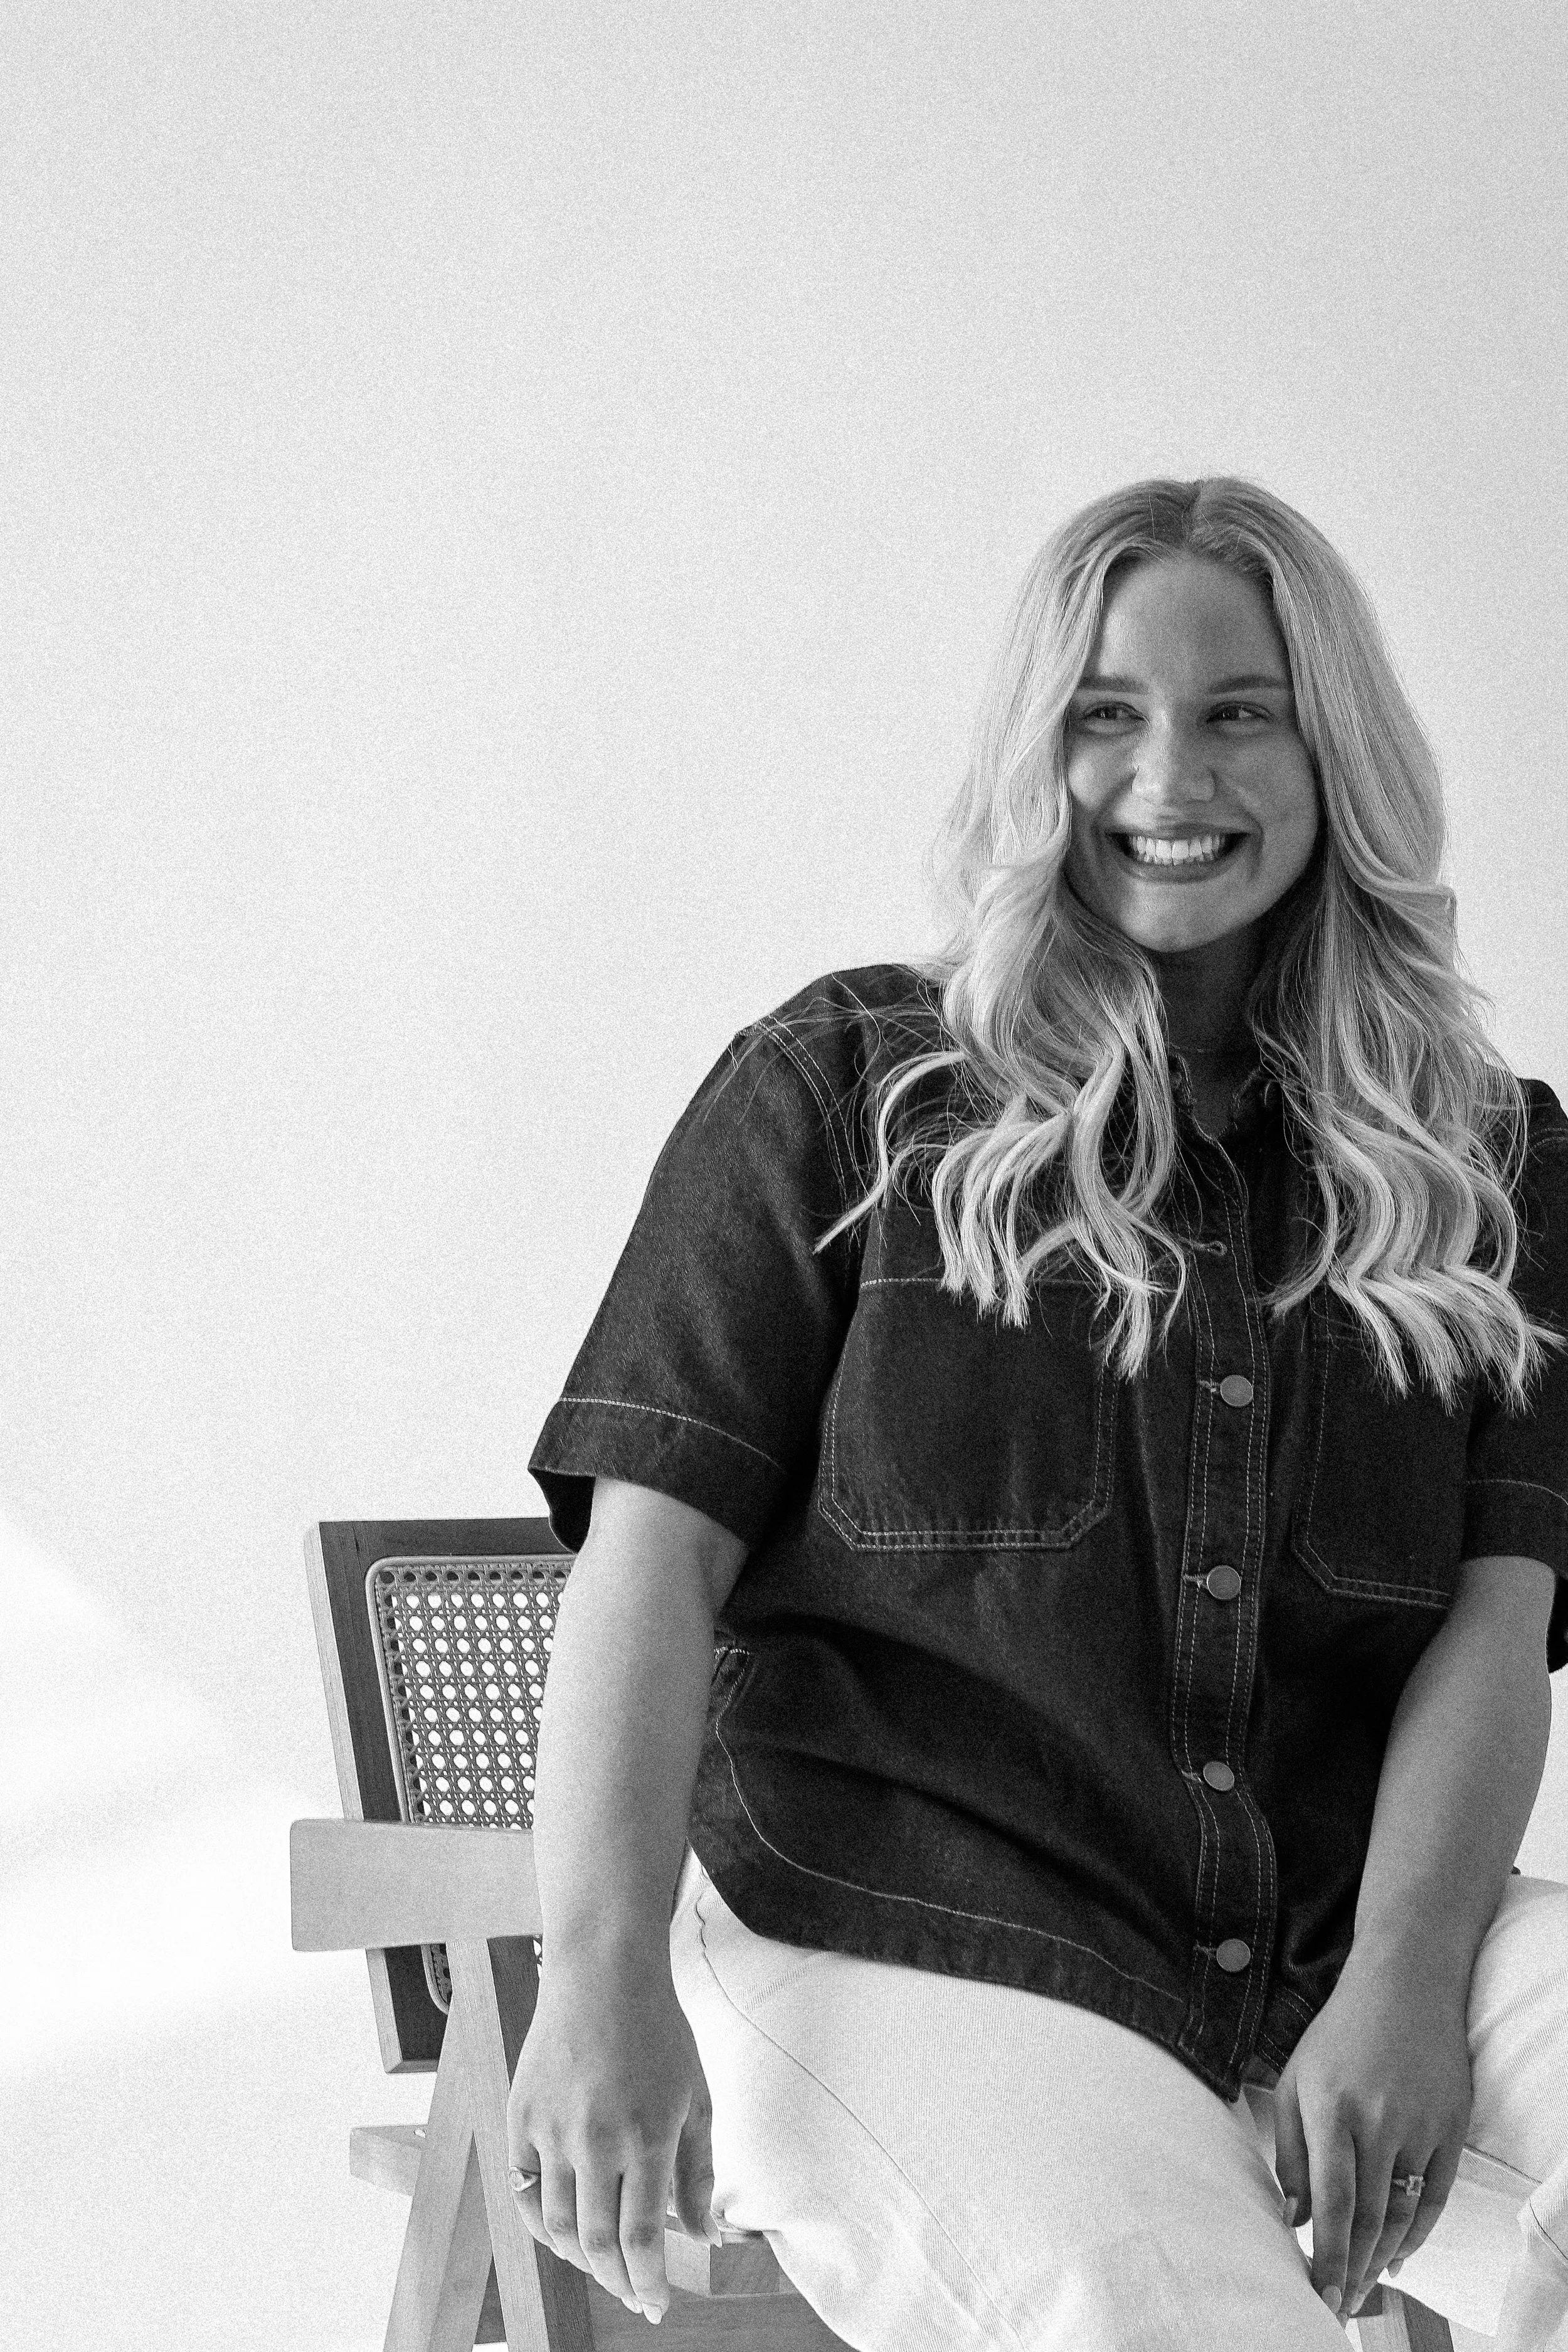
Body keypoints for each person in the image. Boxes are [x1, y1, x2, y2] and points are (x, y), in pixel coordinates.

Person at [507, 477, 1568, 2350]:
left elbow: (1502, 1611)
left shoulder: (1484, 1162)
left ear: (1335, 748)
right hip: (901, 1919)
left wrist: (1403, 1978)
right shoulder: (840, 1095)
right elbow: (649, 1565)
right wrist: (597, 1981)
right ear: (1035, 749)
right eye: (1103, 711)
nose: (1173, 769)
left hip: (1337, 1940)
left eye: (1242, 707)